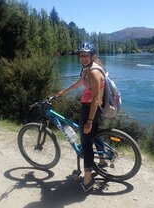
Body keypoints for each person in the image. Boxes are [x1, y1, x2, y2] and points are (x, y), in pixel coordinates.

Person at [56, 42, 106, 192]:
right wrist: (62, 92)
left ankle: (88, 178)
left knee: (86, 143)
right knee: (95, 135)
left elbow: (96, 99)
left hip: (91, 108)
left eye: (86, 55)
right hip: (94, 108)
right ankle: (102, 159)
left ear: (92, 56)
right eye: (81, 55)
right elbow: (78, 84)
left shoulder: (93, 72)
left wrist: (89, 121)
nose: (83, 58)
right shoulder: (89, 69)